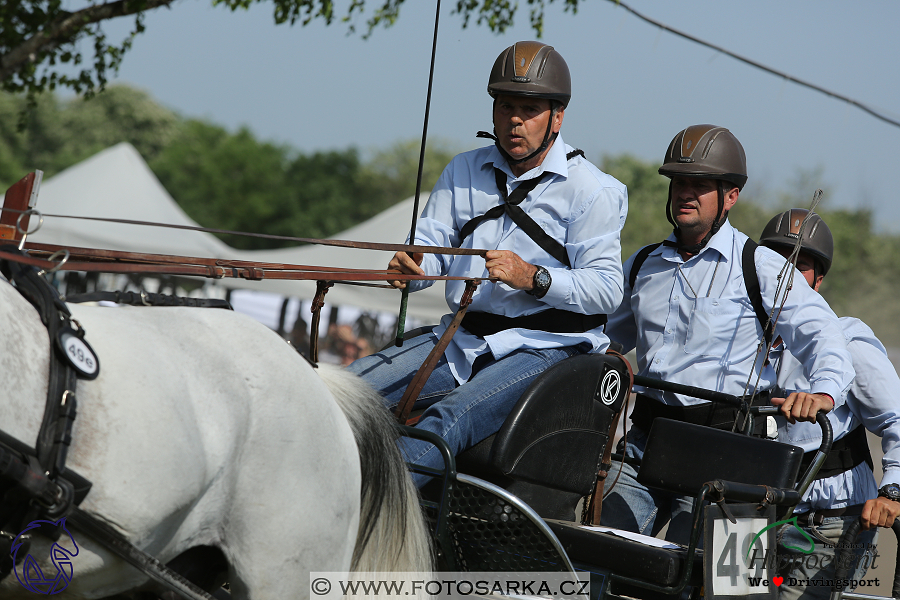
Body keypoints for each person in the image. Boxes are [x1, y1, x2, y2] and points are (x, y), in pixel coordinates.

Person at [347, 41, 627, 484]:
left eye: (529, 109)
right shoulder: (463, 169)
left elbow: (608, 289)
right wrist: (411, 269)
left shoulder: (593, 190)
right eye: (505, 107)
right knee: (347, 392)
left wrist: (532, 277)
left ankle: (374, 511)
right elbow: (432, 248)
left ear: (557, 116)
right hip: (461, 338)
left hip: (544, 348)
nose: (514, 120)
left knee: (448, 420)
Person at [601, 124, 855, 542]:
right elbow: (607, 337)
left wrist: (823, 393)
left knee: (701, 574)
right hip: (646, 442)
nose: (685, 193)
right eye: (680, 182)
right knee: (606, 552)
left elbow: (823, 335)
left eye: (700, 185)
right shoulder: (644, 264)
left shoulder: (760, 266)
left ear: (730, 196)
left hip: (726, 447)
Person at [759, 209, 900, 599]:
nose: (785, 273)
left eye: (800, 266)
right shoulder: (739, 343)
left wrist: (892, 492)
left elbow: (896, 420)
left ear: (818, 280)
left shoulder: (847, 340)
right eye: (775, 261)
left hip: (829, 524)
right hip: (752, 511)